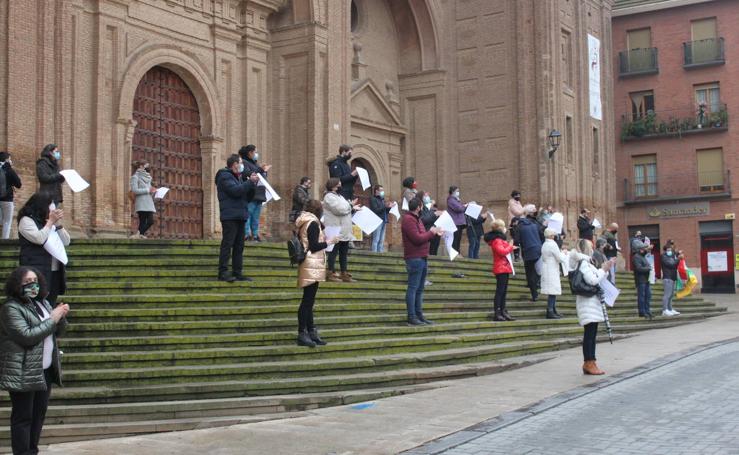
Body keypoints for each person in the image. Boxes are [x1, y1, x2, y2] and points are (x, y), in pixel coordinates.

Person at [0, 267, 69, 455]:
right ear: (17, 285)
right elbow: (27, 336)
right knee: (23, 417)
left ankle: (32, 451)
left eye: (35, 280)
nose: (33, 285)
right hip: (23, 370)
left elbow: (56, 332)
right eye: (27, 282)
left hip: (44, 369)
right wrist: (52, 319)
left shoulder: (43, 303)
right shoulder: (11, 308)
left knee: (38, 415)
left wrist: (60, 317)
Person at [294, 200, 340, 348]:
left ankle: (311, 331)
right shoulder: (312, 223)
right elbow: (313, 246)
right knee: (307, 301)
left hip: (311, 264)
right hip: (311, 264)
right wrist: (329, 241)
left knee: (309, 301)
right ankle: (302, 333)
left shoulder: (307, 221)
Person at [569, 239, 613, 376]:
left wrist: (604, 270)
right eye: (591, 247)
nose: (593, 249)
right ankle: (589, 362)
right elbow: (593, 280)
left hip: (591, 303)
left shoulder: (587, 262)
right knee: (589, 335)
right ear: (585, 249)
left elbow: (597, 277)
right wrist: (603, 269)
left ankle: (590, 362)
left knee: (591, 334)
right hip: (588, 303)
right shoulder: (583, 263)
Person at [17, 192, 70, 305]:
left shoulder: (49, 223)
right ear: (41, 207)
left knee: (50, 303)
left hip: (54, 270)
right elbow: (39, 239)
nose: (51, 214)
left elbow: (66, 241)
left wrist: (58, 224)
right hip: (35, 270)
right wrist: (50, 222)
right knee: (33, 303)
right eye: (49, 210)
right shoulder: (26, 220)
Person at [215, 154, 258, 282]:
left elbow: (246, 197)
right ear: (234, 164)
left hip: (240, 215)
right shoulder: (224, 176)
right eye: (240, 163)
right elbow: (235, 191)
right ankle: (223, 272)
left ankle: (237, 272)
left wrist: (252, 185)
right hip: (230, 216)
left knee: (239, 246)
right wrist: (249, 182)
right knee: (227, 244)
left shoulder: (238, 178)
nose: (242, 166)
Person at [401, 198, 442, 325]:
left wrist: (435, 233)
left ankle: (419, 315)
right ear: (418, 207)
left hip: (422, 257)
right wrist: (432, 232)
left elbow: (424, 236)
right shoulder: (408, 220)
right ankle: (412, 316)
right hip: (414, 258)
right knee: (413, 288)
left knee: (419, 289)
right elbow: (417, 239)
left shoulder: (417, 219)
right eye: (422, 206)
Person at [323, 178, 361, 283]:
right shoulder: (329, 197)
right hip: (335, 229)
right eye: (338, 185)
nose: (340, 186)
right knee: (333, 252)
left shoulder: (340, 197)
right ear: (332, 186)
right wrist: (350, 205)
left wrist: (352, 208)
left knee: (343, 253)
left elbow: (346, 209)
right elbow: (340, 210)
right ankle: (330, 272)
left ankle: (344, 273)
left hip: (344, 230)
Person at [484, 219, 516, 321]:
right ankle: (497, 312)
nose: (504, 228)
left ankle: (503, 311)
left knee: (503, 291)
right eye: (503, 226)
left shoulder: (500, 239)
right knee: (500, 291)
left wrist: (510, 246)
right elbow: (502, 252)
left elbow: (505, 248)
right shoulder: (497, 240)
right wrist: (510, 247)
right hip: (500, 268)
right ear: (499, 228)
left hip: (504, 267)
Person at [239, 145, 271, 242]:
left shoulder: (255, 164)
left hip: (259, 195)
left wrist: (264, 171)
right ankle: (247, 234)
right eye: (255, 152)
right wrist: (260, 169)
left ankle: (255, 235)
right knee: (248, 214)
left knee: (256, 217)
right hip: (251, 194)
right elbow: (247, 174)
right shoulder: (244, 163)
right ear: (250, 153)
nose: (256, 154)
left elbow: (260, 175)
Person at [517, 204, 544, 302]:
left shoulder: (520, 226)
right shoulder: (535, 225)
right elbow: (542, 236)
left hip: (527, 251)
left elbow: (517, 240)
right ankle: (536, 285)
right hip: (538, 250)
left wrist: (516, 253)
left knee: (530, 272)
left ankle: (534, 293)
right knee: (537, 271)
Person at [540, 228, 569, 319]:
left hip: (547, 268)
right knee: (552, 291)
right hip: (552, 269)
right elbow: (559, 258)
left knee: (552, 291)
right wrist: (564, 253)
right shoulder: (552, 244)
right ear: (552, 236)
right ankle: (550, 311)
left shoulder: (545, 244)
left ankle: (553, 309)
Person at [129, 160, 158, 239]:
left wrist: (152, 191)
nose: (148, 167)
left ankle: (140, 234)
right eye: (146, 165)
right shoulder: (135, 177)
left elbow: (148, 189)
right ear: (141, 166)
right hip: (141, 202)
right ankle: (139, 234)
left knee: (150, 221)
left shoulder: (148, 177)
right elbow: (135, 190)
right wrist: (148, 190)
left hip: (148, 201)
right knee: (143, 220)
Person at [0, 151, 22, 239]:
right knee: (7, 222)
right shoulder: (9, 169)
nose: (11, 161)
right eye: (10, 159)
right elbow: (19, 184)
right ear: (6, 160)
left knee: (1, 221)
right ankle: (4, 242)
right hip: (7, 199)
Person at [632, 239, 653, 319]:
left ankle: (647, 311)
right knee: (642, 296)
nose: (645, 250)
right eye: (644, 249)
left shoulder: (643, 257)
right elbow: (639, 268)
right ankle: (642, 311)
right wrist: (648, 268)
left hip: (646, 279)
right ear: (640, 250)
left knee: (648, 296)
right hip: (641, 280)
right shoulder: (636, 257)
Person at [369, 185, 393, 253]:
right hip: (377, 221)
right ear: (376, 191)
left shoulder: (382, 200)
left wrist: (389, 207)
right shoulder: (373, 199)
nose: (383, 192)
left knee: (381, 239)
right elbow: (376, 210)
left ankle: (380, 253)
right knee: (376, 238)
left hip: (384, 220)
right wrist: (385, 207)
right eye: (381, 190)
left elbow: (385, 211)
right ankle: (374, 253)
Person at [660, 244, 681, 317]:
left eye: (670, 250)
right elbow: (671, 264)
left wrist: (678, 254)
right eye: (668, 250)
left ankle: (670, 309)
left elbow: (674, 259)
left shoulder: (671, 256)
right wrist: (678, 259)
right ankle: (664, 310)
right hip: (667, 277)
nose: (670, 251)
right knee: (667, 294)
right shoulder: (664, 257)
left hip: (672, 277)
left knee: (671, 295)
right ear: (665, 250)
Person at [418, 192, 441, 257]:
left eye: (428, 196)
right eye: (425, 196)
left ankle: (433, 255)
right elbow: (423, 219)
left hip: (430, 228)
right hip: (424, 229)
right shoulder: (420, 207)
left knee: (437, 235)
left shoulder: (427, 207)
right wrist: (433, 212)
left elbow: (432, 217)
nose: (428, 197)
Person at [446, 186, 467, 253]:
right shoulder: (451, 200)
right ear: (453, 191)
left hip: (459, 222)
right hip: (455, 223)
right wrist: (465, 206)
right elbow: (459, 208)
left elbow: (460, 207)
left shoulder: (456, 200)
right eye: (457, 191)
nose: (458, 192)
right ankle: (455, 253)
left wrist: (463, 205)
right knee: (455, 240)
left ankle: (457, 252)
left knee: (458, 239)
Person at [508, 191, 524, 261]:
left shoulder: (518, 203)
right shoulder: (512, 203)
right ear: (513, 196)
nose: (518, 196)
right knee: (516, 241)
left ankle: (519, 255)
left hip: (519, 223)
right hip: (514, 225)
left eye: (519, 195)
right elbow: (517, 213)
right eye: (517, 195)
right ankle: (516, 256)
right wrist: (525, 209)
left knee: (519, 240)